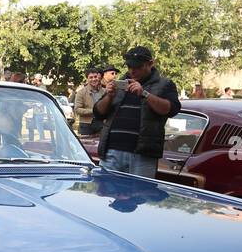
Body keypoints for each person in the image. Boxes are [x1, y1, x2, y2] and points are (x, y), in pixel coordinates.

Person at [92, 45, 181, 179]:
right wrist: (109, 96)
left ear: (150, 64)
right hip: (112, 151)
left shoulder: (164, 84)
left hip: (142, 155)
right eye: (129, 67)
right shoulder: (120, 84)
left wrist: (145, 94)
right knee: (108, 193)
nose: (132, 71)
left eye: (138, 67)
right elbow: (98, 113)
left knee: (140, 196)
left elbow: (170, 109)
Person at [72, 68, 103, 137]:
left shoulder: (104, 91)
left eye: (95, 77)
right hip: (86, 125)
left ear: (99, 77)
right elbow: (77, 109)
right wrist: (93, 111)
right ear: (87, 79)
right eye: (91, 77)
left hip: (101, 124)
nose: (94, 79)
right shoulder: (81, 93)